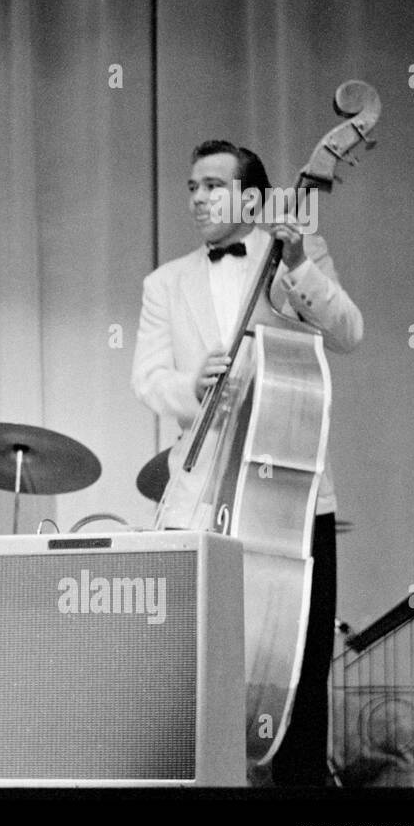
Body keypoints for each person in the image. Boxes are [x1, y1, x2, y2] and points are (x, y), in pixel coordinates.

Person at [131, 140, 362, 786]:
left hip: (293, 501)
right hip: (202, 496)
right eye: (191, 185)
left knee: (297, 676)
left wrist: (296, 262)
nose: (197, 197)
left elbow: (348, 331)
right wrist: (190, 386)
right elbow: (148, 378)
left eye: (212, 185)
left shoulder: (294, 256)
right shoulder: (164, 282)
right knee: (194, 670)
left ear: (254, 199)